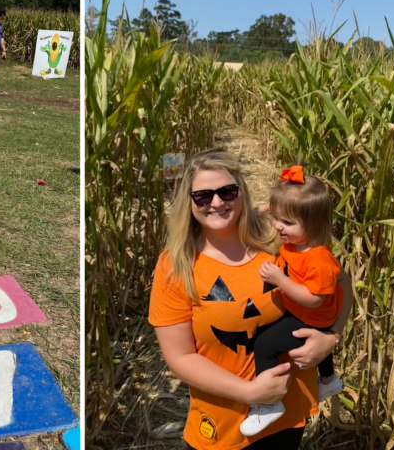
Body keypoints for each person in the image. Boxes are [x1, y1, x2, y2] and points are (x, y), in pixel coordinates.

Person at [150, 149, 352, 450]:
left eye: (227, 191)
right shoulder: (176, 265)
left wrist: (331, 338)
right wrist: (251, 392)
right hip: (224, 423)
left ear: (241, 192)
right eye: (203, 196)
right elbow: (180, 358)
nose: (217, 203)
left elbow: (340, 283)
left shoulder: (277, 241)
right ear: (189, 202)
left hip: (290, 412)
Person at [240, 166, 344, 436]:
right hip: (308, 314)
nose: (277, 226)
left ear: (312, 225)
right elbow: (279, 210)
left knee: (263, 344)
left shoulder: (318, 258)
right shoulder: (300, 240)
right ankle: (328, 380)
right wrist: (260, 210)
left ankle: (269, 404)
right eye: (276, 217)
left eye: (286, 222)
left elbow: (313, 299)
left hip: (310, 317)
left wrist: (281, 281)